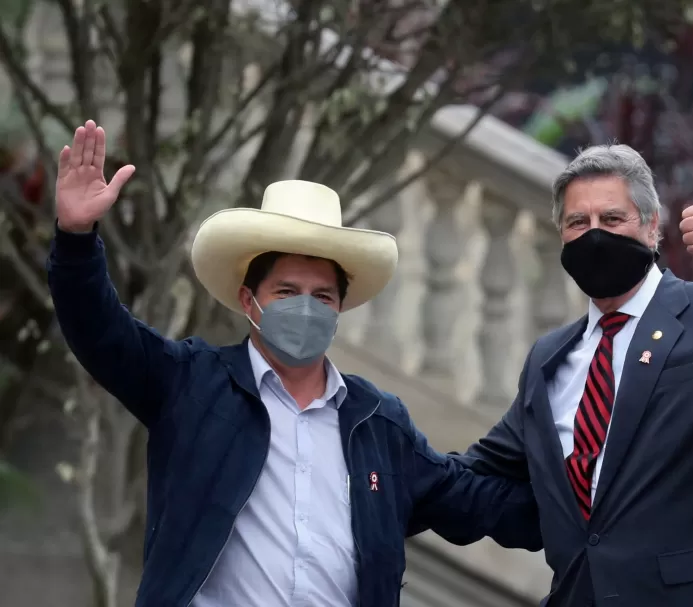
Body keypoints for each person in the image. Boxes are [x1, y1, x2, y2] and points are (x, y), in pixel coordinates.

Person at [48, 120, 542, 607]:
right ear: (248, 299)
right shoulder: (193, 384)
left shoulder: (378, 423)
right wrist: (75, 238)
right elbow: (101, 332)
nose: (305, 307)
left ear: (340, 309)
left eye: (322, 295)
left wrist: (594, 502)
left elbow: (476, 502)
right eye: (286, 292)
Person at [455, 144, 693, 607]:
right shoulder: (550, 359)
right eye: (577, 223)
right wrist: (379, 464)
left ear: (652, 228)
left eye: (612, 220)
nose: (594, 236)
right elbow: (477, 478)